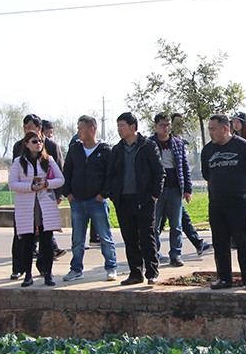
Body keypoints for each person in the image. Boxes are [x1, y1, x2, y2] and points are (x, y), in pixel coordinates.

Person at [202, 114, 246, 290]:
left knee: (244, 241)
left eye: (213, 129)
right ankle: (224, 278)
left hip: (239, 202)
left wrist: (240, 186)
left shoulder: (243, 146)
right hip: (217, 203)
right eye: (209, 129)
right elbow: (206, 174)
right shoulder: (208, 150)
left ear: (225, 129)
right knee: (220, 243)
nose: (210, 133)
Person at [108, 112, 164, 286]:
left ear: (132, 127)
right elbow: (111, 174)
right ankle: (135, 273)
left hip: (144, 199)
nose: (119, 129)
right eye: (118, 126)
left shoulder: (148, 146)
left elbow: (159, 172)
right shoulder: (117, 149)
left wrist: (154, 195)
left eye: (122, 126)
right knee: (130, 238)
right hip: (123, 200)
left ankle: (152, 272)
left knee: (147, 237)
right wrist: (113, 195)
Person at [63, 115, 118, 281]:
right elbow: (67, 171)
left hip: (97, 202)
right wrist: (68, 192)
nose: (78, 131)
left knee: (105, 237)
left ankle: (111, 267)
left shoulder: (105, 150)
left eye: (81, 128)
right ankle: (76, 269)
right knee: (77, 239)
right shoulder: (75, 149)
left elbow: (111, 175)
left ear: (92, 129)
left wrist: (103, 194)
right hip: (77, 201)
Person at [9, 132, 65, 287]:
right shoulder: (18, 162)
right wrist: (30, 187)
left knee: (47, 240)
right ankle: (28, 275)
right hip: (26, 205)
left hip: (45, 204)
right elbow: (12, 184)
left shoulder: (49, 159)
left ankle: (48, 273)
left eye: (40, 141)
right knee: (26, 241)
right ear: (26, 144)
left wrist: (47, 184)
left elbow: (60, 179)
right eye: (34, 141)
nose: (38, 144)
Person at [150, 114, 193, 267]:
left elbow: (184, 166)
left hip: (175, 188)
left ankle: (176, 254)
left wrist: (187, 189)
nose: (166, 128)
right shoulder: (149, 143)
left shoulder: (177, 143)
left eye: (168, 125)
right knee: (154, 225)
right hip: (156, 190)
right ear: (156, 126)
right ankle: (153, 254)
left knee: (176, 224)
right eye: (162, 125)